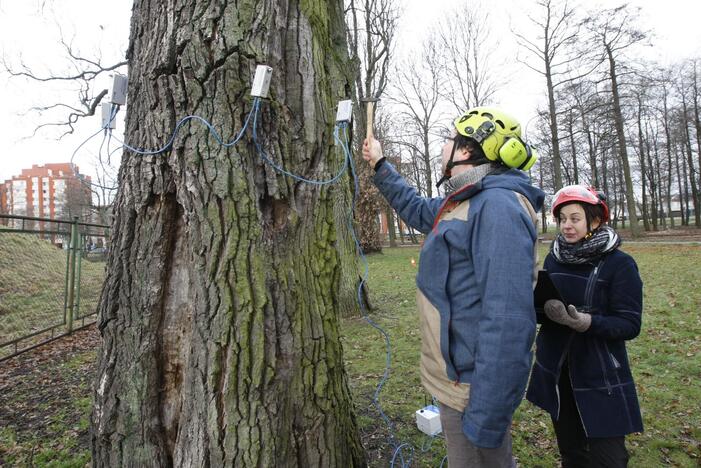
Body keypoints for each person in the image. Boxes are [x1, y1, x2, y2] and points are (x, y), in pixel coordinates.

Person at [362, 107, 544, 467]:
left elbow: (508, 319)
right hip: (457, 383)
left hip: (473, 393)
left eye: (448, 138)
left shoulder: (497, 207)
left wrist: (486, 413)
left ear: (465, 150)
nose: (443, 146)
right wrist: (381, 165)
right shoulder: (467, 199)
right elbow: (417, 210)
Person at [526, 185, 644, 467]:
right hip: (558, 370)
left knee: (609, 459)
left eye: (575, 218)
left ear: (594, 220)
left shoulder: (620, 264)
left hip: (600, 373)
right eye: (562, 218)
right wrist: (542, 309)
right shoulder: (555, 257)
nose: (567, 226)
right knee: (572, 453)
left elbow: (629, 324)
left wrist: (587, 322)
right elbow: (546, 304)